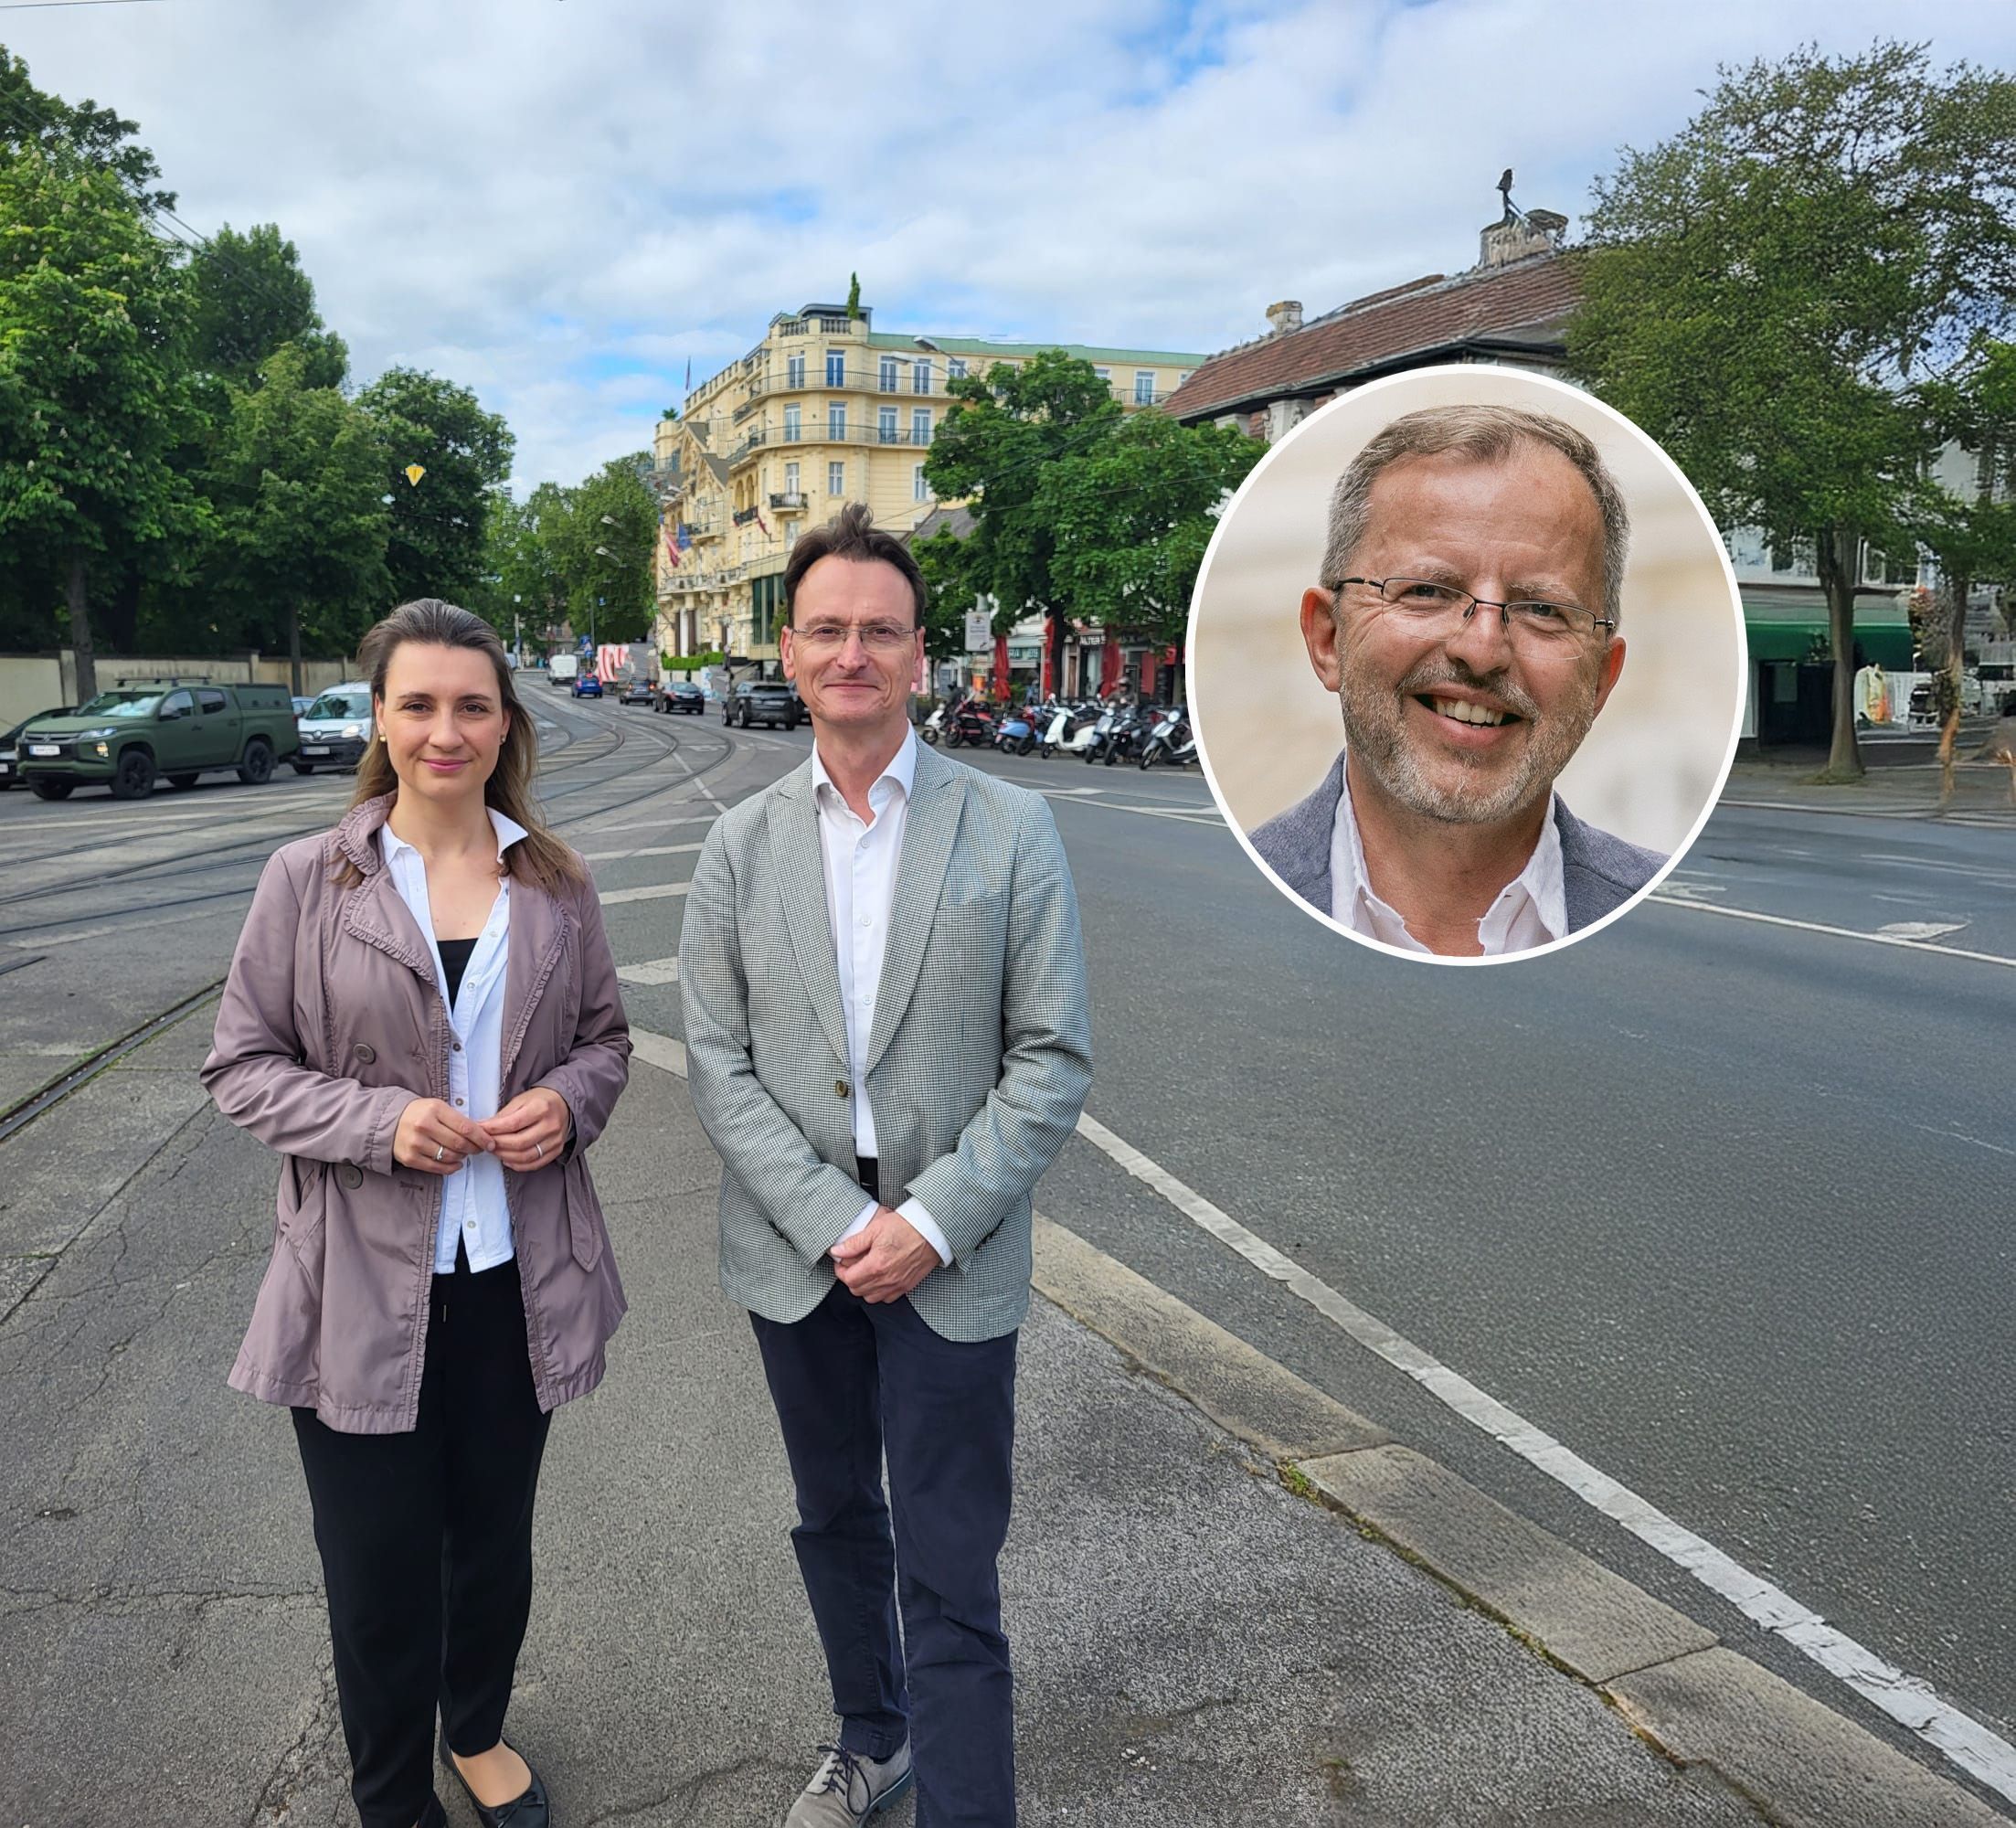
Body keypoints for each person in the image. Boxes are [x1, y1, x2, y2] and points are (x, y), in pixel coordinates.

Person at [680, 505, 1092, 1827]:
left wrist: (925, 1219)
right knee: (834, 1520)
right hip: (795, 1257)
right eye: (826, 630)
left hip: (953, 1255)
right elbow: (718, 1068)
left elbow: (1050, 1059)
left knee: (952, 1568)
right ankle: (872, 1736)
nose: (851, 652)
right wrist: (828, 1222)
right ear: (787, 654)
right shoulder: (736, 851)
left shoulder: (1011, 829)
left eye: (879, 631)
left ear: (923, 657)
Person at [203, 600, 631, 1828]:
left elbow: (605, 1039)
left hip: (516, 1277)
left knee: (491, 1546)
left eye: (471, 706)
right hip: (354, 1285)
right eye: (418, 705)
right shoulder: (311, 878)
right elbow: (241, 1066)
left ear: (505, 726)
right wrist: (377, 1123)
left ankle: (478, 1727)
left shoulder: (554, 883)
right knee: (379, 1571)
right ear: (380, 722)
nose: (445, 731)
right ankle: (391, 1791)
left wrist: (568, 1099)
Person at [1251, 403, 1665, 958]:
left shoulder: (1655, 912)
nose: (1482, 649)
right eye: (1425, 591)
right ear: (1328, 639)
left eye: (1543, 609)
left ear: (1600, 682)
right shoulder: (1233, 893)